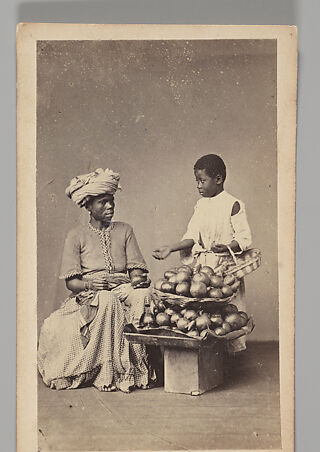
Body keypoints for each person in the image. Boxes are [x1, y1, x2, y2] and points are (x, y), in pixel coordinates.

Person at [38, 167, 155, 393]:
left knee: (144, 295)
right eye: (103, 202)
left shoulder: (125, 230)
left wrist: (138, 281)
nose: (110, 206)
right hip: (90, 293)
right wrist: (90, 284)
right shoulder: (76, 235)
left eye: (111, 201)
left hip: (123, 286)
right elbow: (71, 283)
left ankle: (137, 370)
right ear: (88, 206)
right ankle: (107, 372)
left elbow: (135, 269)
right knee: (108, 300)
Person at [153, 154, 252, 354]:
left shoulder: (233, 204)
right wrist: (171, 247)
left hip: (225, 267)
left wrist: (226, 246)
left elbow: (244, 238)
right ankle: (208, 357)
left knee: (226, 311)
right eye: (196, 181)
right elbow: (192, 237)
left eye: (202, 180)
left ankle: (227, 356)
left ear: (218, 179)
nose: (198, 186)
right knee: (203, 311)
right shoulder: (201, 205)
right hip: (203, 267)